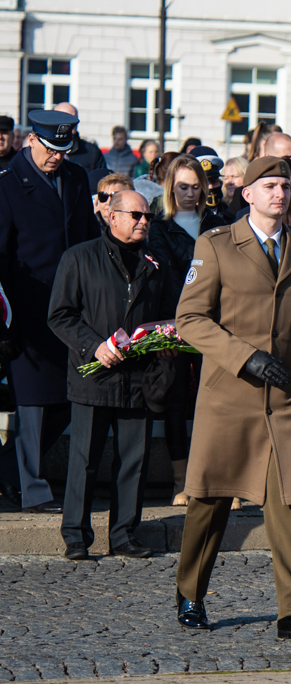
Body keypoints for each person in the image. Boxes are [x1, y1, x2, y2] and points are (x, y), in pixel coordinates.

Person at [173, 156, 291, 638]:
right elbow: (190, 320)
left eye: (286, 186)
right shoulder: (217, 245)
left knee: (290, 502)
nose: (281, 193)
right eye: (270, 185)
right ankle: (190, 592)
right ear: (247, 193)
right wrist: (245, 357)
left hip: (285, 399)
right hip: (228, 396)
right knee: (208, 503)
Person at [48, 190, 178, 560]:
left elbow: (167, 318)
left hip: (139, 378)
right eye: (135, 215)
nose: (143, 222)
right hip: (94, 376)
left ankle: (124, 534)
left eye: (148, 216)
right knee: (84, 460)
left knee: (133, 460)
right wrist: (94, 346)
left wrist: (161, 350)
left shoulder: (157, 262)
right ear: (112, 216)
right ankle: (76, 535)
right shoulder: (79, 257)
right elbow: (60, 315)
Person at [0, 109, 100, 514]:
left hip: (70, 308)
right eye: (51, 148)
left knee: (66, 397)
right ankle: (32, 490)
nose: (58, 156)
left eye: (65, 148)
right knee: (32, 402)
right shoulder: (6, 185)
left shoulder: (75, 177)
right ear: (31, 141)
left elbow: (87, 239)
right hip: (24, 307)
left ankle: (8, 471)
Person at [147, 155, 229, 506]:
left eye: (196, 187)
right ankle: (181, 480)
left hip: (217, 322)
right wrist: (163, 331)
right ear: (170, 187)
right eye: (183, 186)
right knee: (177, 403)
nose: (190, 193)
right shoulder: (159, 226)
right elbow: (163, 280)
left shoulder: (217, 221)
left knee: (218, 403)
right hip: (176, 323)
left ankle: (220, 480)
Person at [53, 103, 106, 172]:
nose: (73, 122)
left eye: (75, 118)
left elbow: (101, 179)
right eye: (68, 118)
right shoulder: (43, 149)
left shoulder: (91, 151)